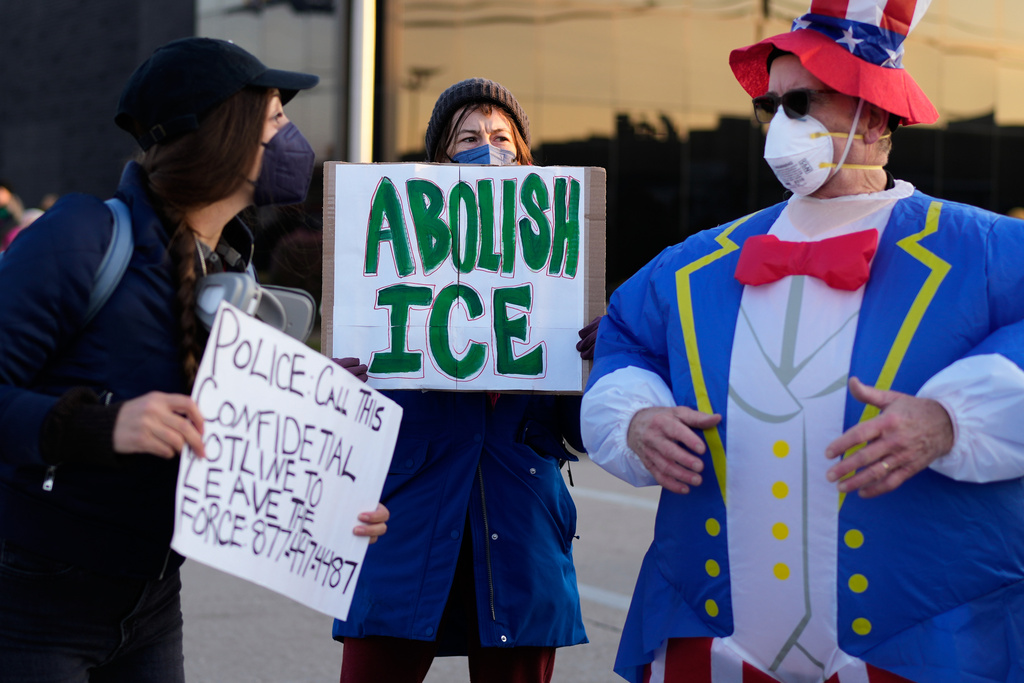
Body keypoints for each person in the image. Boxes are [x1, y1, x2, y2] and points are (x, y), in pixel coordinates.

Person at [581, 1, 1024, 682]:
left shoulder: (989, 251)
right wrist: (635, 417)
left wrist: (950, 418)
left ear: (874, 115)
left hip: (918, 639)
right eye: (774, 105)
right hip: (716, 640)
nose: (781, 123)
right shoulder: (696, 263)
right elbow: (625, 339)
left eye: (803, 102)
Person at [0, 37, 388, 682]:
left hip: (152, 600)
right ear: (221, 135)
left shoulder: (233, 269)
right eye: (276, 121)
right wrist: (102, 423)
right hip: (35, 601)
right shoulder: (80, 237)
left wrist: (327, 495)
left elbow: (232, 441)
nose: (294, 139)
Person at [332, 78, 592, 683]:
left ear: (525, 156)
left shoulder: (560, 269)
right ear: (436, 163)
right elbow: (354, 426)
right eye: (468, 139)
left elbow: (582, 433)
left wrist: (597, 366)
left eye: (502, 138)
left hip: (520, 521)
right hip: (408, 518)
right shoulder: (387, 270)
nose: (488, 150)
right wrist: (341, 386)